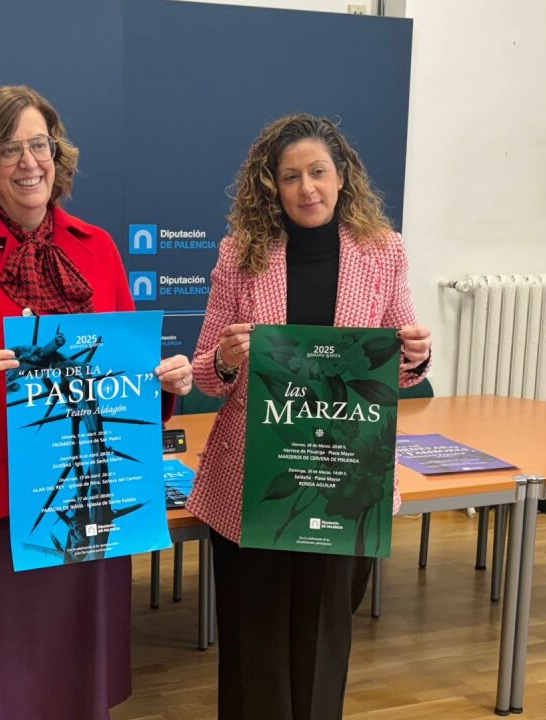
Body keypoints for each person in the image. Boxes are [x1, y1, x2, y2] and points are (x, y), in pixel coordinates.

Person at [0, 85, 194, 720]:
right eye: (9, 149)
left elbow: (122, 369)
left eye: (41, 145)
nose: (30, 162)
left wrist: (161, 384)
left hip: (86, 488)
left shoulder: (99, 248)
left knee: (75, 674)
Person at [187, 113, 432, 720]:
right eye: (291, 176)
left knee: (324, 631)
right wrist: (225, 358)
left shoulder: (384, 252)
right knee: (254, 634)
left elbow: (398, 368)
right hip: (255, 478)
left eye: (318, 172)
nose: (307, 188)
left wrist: (416, 355)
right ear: (272, 185)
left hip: (344, 475)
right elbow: (204, 373)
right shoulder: (239, 254)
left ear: (342, 176)